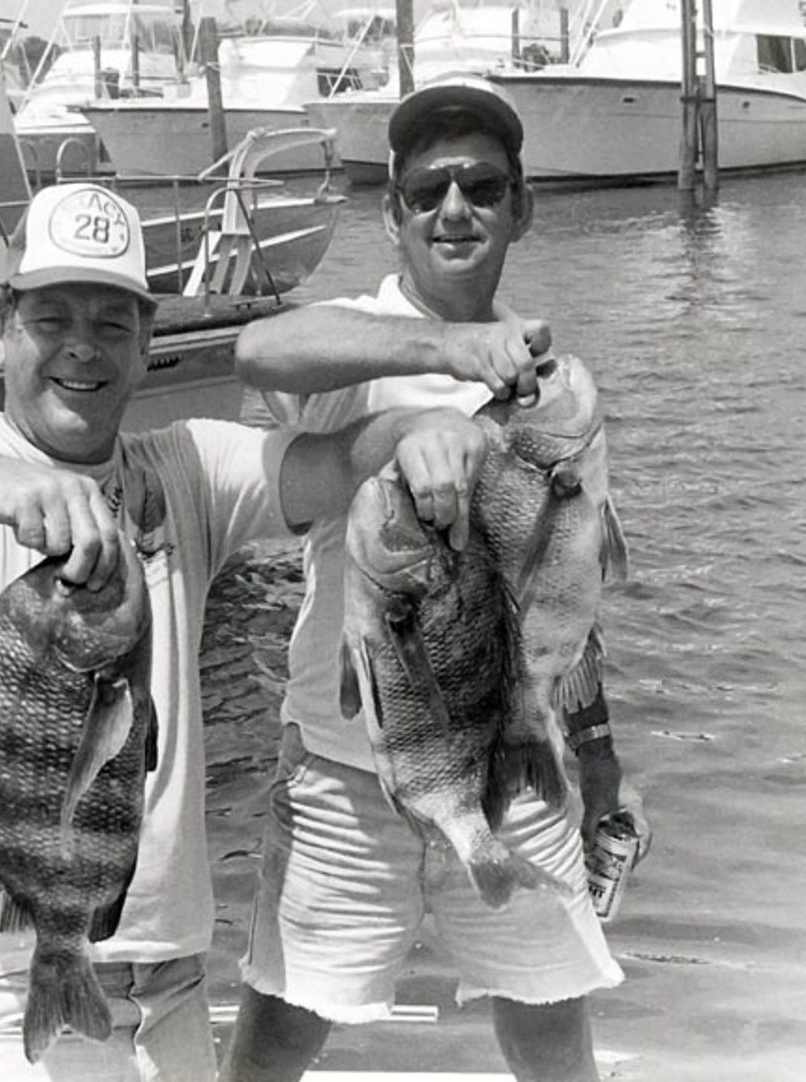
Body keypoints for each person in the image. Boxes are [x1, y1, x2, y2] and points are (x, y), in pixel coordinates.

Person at [0, 180, 511, 1081]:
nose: (82, 347)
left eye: (113, 324)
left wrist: (420, 426)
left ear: (147, 343)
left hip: (171, 989)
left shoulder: (185, 466)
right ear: (1, 328)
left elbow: (329, 461)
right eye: (52, 319)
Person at [220, 73, 651, 1082]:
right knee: (280, 1028)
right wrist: (446, 347)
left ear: (521, 205)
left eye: (483, 186)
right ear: (394, 211)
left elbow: (566, 605)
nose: (455, 208)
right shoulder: (354, 345)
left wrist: (598, 760)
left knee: (551, 1021)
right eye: (428, 191)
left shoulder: (551, 388)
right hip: (348, 762)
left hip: (514, 753)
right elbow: (254, 349)